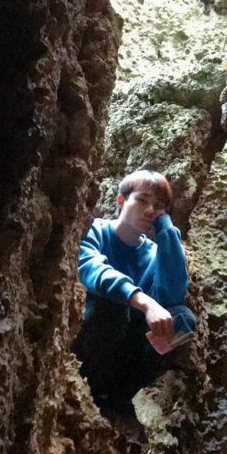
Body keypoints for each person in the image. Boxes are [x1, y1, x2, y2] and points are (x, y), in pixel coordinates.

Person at [72, 169, 197, 413]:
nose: (150, 210)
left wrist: (166, 230)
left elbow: (172, 295)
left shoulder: (152, 253)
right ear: (121, 201)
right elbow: (92, 269)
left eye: (158, 206)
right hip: (91, 334)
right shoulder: (96, 230)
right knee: (114, 307)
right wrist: (144, 303)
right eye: (142, 200)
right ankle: (91, 388)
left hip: (127, 347)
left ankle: (120, 395)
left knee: (182, 319)